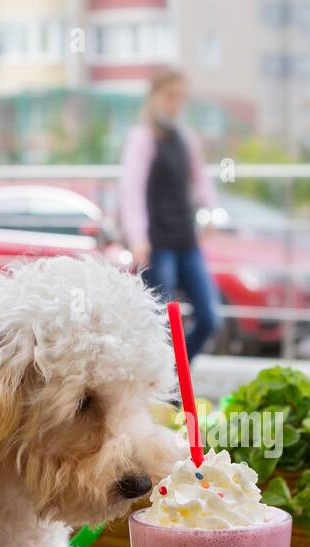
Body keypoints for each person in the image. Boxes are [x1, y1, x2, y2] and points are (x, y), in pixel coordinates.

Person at [120, 68, 222, 360]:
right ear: (155, 97)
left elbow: (201, 179)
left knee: (209, 318)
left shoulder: (186, 137)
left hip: (186, 239)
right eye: (170, 96)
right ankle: (168, 378)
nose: (175, 103)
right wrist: (138, 238)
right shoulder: (142, 137)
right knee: (161, 323)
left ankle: (176, 375)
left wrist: (211, 212)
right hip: (157, 244)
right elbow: (132, 190)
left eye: (180, 97)